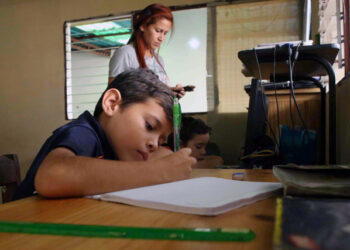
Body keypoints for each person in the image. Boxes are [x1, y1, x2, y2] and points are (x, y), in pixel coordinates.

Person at [14, 69, 196, 200]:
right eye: (149, 126)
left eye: (161, 139)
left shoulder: (117, 147)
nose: (154, 144)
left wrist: (167, 161)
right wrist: (159, 171)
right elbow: (52, 176)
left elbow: (161, 155)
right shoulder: (83, 132)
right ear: (112, 103)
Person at [108, 3, 185, 98]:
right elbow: (112, 93)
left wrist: (169, 92)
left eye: (165, 33)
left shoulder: (159, 60)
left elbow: (153, 93)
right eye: (158, 31)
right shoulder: (126, 53)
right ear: (143, 26)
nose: (161, 38)